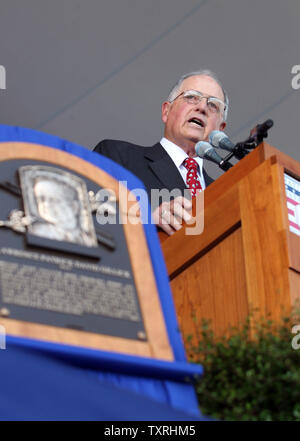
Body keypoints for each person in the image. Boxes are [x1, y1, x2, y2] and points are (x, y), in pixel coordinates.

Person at [93, 69, 228, 235]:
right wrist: (147, 220)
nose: (201, 107)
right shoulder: (118, 156)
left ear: (220, 130)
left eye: (213, 104)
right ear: (166, 111)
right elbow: (90, 216)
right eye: (192, 97)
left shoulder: (226, 193)